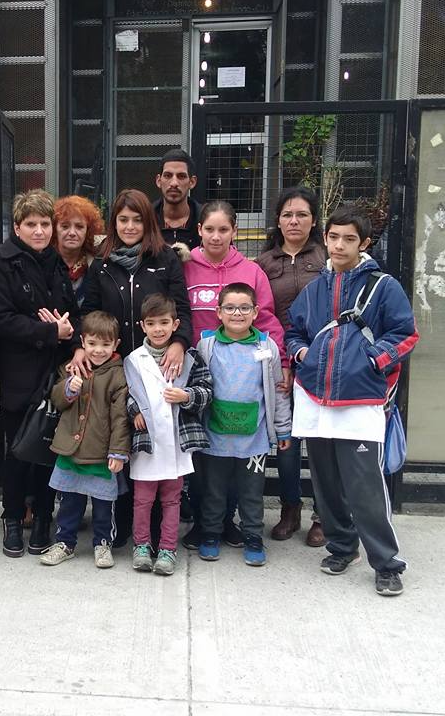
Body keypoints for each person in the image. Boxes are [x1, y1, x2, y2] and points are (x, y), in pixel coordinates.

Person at [286, 206, 419, 596]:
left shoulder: (384, 287)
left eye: (349, 238)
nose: (339, 245)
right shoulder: (314, 289)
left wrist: (373, 361)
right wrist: (302, 354)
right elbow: (294, 331)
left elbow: (405, 334)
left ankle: (387, 564)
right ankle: (342, 548)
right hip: (314, 398)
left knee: (365, 487)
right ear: (325, 239)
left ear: (364, 243)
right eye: (333, 237)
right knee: (325, 483)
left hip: (361, 401)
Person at [75, 188, 194, 547]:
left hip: (155, 365)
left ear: (149, 222)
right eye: (123, 220)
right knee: (120, 438)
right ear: (113, 223)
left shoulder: (165, 259)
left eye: (137, 220)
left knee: (153, 441)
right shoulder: (101, 263)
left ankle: (157, 525)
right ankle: (123, 522)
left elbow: (182, 309)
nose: (129, 226)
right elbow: (89, 313)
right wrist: (81, 348)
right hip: (114, 366)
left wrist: (179, 342)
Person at [179, 200, 285, 551]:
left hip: (243, 373)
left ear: (234, 232)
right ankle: (204, 524)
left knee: (238, 460)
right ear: (199, 230)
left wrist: (282, 360)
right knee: (205, 456)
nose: (216, 236)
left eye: (223, 229)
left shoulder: (251, 271)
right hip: (196, 371)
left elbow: (266, 318)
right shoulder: (185, 267)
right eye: (209, 229)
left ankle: (230, 523)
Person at [0, 190, 78, 557]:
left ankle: (42, 517)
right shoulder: (0, 262)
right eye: (31, 224)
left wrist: (70, 338)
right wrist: (50, 331)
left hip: (53, 372)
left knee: (48, 449)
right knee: (18, 451)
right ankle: (11, 518)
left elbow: (70, 313)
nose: (39, 231)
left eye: (44, 224)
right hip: (18, 371)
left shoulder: (56, 261)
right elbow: (2, 320)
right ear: (17, 227)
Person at [195, 283, 292, 567]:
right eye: (230, 308)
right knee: (214, 491)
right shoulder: (206, 345)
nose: (237, 313)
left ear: (255, 312)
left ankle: (253, 537)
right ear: (218, 312)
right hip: (215, 437)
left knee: (251, 493)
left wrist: (282, 428)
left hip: (254, 439)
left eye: (244, 308)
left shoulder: (266, 346)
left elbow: (277, 391)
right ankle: (210, 534)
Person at [256, 186, 327, 546]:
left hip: (322, 364)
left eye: (301, 215)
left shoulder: (327, 257)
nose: (294, 221)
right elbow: (260, 315)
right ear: (278, 220)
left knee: (321, 442)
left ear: (313, 221)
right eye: (287, 215)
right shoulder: (264, 264)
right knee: (286, 441)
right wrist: (281, 359)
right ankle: (289, 508)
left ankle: (323, 515)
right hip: (280, 364)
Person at [124, 294, 212, 576]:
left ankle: (167, 549)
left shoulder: (191, 358)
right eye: (151, 323)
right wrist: (134, 411)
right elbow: (125, 392)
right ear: (142, 326)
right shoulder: (133, 359)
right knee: (142, 500)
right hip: (147, 442)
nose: (158, 329)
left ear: (175, 324)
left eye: (164, 322)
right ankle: (141, 545)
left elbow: (207, 391)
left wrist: (186, 396)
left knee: (172, 500)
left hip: (176, 442)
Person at [39, 311, 130, 569]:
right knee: (69, 501)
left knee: (104, 504)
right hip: (71, 449)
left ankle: (103, 543)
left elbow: (120, 417)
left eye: (105, 344)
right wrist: (68, 389)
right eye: (92, 343)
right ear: (82, 342)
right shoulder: (72, 367)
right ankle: (64, 543)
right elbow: (56, 399)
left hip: (101, 452)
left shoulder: (118, 375)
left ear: (116, 344)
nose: (98, 350)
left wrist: (118, 451)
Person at [52, 195, 105, 307]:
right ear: (54, 229)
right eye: (65, 226)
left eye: (79, 227)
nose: (72, 233)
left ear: (88, 231)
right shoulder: (45, 262)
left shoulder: (98, 265)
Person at [153, 148, 202, 250]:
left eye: (181, 176)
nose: (174, 183)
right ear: (159, 181)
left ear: (192, 182)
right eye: (168, 176)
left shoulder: (206, 220)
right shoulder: (145, 219)